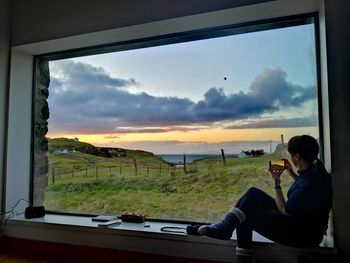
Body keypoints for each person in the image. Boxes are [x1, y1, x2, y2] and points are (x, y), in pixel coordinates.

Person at [192, 135, 332, 263]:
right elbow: (303, 193)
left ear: (297, 157)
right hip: (305, 226)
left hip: (301, 235)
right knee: (252, 194)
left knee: (245, 213)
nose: (290, 157)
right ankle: (226, 228)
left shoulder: (310, 183)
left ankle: (227, 231)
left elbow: (284, 210)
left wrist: (277, 182)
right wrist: (291, 173)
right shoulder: (316, 171)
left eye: (291, 154)